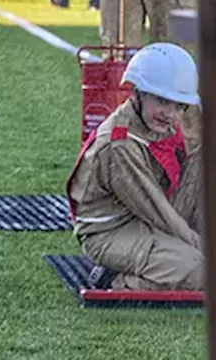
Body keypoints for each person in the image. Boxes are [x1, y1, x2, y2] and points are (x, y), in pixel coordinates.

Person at [66, 42, 204, 291]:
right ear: (138, 92)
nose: (171, 114)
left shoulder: (157, 123)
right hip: (111, 231)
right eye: (162, 101)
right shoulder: (120, 145)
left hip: (145, 214)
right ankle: (116, 279)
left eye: (179, 105)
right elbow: (156, 210)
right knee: (198, 271)